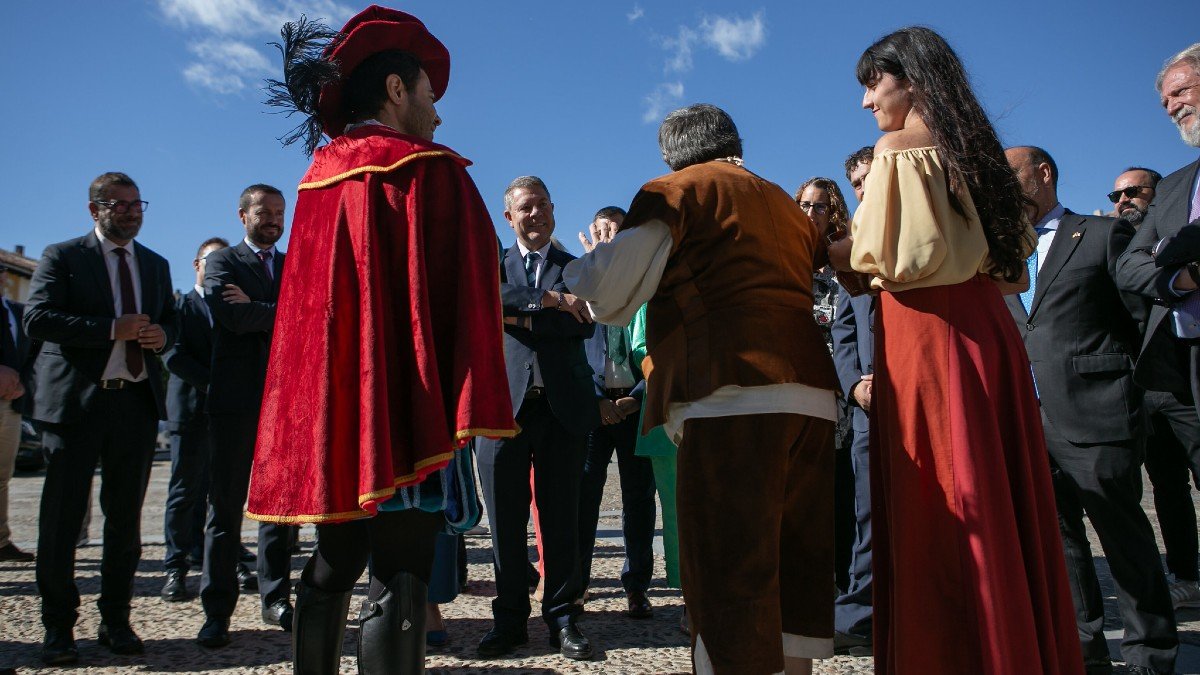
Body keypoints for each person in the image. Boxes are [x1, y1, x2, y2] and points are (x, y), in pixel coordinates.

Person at [245, 7, 515, 673]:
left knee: (335, 560)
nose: (438, 113)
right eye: (429, 93)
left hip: (336, 417)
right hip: (406, 409)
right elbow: (474, 280)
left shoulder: (317, 181)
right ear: (396, 90)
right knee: (402, 572)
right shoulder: (429, 171)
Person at [827, 28, 1083, 674]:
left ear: (908, 79)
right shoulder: (976, 151)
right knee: (995, 487)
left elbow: (892, 260)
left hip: (927, 339)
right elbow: (1007, 265)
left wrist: (826, 250)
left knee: (941, 494)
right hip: (986, 331)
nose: (866, 102)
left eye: (872, 83)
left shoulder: (898, 149)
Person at [565, 103, 840, 675]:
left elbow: (608, 290)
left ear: (672, 153)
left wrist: (582, 268)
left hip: (729, 390)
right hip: (813, 393)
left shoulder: (678, 190)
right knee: (795, 564)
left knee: (728, 568)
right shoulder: (785, 205)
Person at [1004, 145, 1176, 674]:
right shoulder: (1002, 254)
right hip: (1030, 417)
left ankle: (1151, 652)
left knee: (1124, 538)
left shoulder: (1101, 235)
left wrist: (1128, 385)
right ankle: (1084, 648)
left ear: (1043, 173)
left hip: (1097, 410)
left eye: (1011, 177)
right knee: (1061, 542)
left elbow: (1140, 317)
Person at [25, 171, 177, 664]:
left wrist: (161, 338)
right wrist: (112, 329)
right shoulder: (63, 257)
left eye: (138, 204)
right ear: (95, 210)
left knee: (124, 523)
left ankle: (116, 620)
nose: (132, 211)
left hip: (133, 406)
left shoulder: (155, 265)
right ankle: (58, 628)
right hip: (75, 408)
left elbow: (168, 322)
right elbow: (39, 319)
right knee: (62, 522)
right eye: (121, 204)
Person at [476, 175, 600, 662]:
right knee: (504, 524)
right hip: (501, 410)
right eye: (527, 207)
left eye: (544, 205)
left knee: (561, 518)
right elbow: (483, 300)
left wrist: (516, 315)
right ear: (510, 217)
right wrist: (545, 302)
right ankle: (508, 621)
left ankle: (564, 618)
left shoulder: (577, 267)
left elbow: (585, 319)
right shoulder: (492, 266)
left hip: (561, 409)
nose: (537, 214)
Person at [196, 184, 297, 647]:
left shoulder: (295, 262)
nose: (274, 219)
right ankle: (217, 609)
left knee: (279, 508)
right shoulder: (222, 262)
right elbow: (231, 319)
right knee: (225, 509)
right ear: (243, 215)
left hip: (287, 402)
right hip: (236, 403)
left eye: (279, 212)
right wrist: (287, 314)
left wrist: (265, 311)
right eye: (264, 212)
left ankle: (276, 597)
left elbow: (317, 314)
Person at [1115, 45, 1200, 566]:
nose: (1171, 107)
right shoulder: (1175, 190)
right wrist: (1185, 275)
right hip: (1182, 360)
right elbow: (1132, 266)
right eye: (1166, 100)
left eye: (1182, 91)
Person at [1111, 166, 1200, 609]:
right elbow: (1130, 275)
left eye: (1132, 191)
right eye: (1115, 194)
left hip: (1185, 371)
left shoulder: (1181, 229)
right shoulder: (1119, 244)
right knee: (1166, 486)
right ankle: (1185, 574)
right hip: (1143, 380)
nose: (1122, 201)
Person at [577, 206, 657, 619]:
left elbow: (662, 346)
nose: (610, 237)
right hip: (593, 407)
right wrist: (597, 401)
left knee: (639, 499)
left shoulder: (648, 285)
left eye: (618, 232)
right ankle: (578, 583)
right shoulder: (580, 280)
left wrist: (637, 397)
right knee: (583, 498)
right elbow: (572, 349)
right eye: (601, 231)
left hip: (635, 401)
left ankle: (637, 585)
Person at [161, 237, 227, 602]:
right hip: (189, 411)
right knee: (184, 492)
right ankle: (175, 566)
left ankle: (216, 559)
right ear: (196, 264)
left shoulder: (232, 305)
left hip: (226, 415)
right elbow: (172, 356)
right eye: (210, 261)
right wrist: (216, 385)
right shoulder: (180, 306)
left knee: (220, 492)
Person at [828, 150, 875, 657]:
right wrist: (855, 385)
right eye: (857, 183)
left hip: (923, 398)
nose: (864, 189)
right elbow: (843, 332)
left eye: (869, 179)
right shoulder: (852, 250)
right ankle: (859, 613)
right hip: (867, 408)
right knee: (867, 515)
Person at [0, 263, 34, 562]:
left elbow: (31, 352)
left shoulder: (16, 311)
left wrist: (23, 381)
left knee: (2, 475)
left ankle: (1, 540)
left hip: (11, 403)